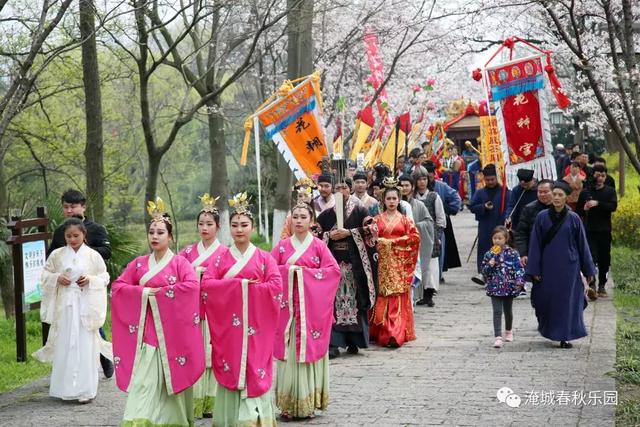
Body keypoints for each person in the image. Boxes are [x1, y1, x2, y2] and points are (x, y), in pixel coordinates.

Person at [112, 199, 205, 426]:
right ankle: (139, 420)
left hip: (172, 333)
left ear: (170, 237)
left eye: (160, 232)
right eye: (151, 232)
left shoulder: (180, 264)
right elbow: (118, 287)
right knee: (144, 380)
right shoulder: (138, 264)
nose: (155, 236)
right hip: (146, 334)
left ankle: (171, 420)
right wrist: (145, 294)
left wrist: (160, 295)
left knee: (168, 381)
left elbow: (192, 287)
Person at [201, 193, 282, 427]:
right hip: (230, 329)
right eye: (234, 225)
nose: (239, 230)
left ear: (252, 227)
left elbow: (276, 287)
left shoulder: (265, 259)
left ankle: (255, 418)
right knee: (232, 365)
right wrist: (241, 286)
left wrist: (247, 291)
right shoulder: (219, 260)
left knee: (254, 366)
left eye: (244, 225)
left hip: (257, 328)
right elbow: (206, 285)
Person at [271, 202, 341, 420]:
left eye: (303, 217)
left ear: (312, 222)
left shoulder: (319, 246)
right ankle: (287, 405)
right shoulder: (281, 247)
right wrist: (290, 272)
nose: (298, 221)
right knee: (289, 354)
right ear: (289, 220)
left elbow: (332, 272)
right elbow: (270, 273)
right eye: (295, 217)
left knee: (307, 353)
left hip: (310, 312)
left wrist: (304, 276)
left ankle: (308, 403)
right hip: (287, 314)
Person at [33, 217, 111, 403]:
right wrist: (57, 278)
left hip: (85, 304)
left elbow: (104, 276)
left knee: (85, 344)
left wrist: (90, 280)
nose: (72, 239)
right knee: (66, 344)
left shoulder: (93, 255)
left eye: (76, 235)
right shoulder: (57, 255)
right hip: (66, 306)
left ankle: (86, 389)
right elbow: (45, 274)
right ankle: (63, 388)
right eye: (68, 236)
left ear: (84, 235)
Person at [48, 189, 113, 378]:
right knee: (68, 327)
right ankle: (70, 371)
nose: (69, 210)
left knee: (91, 323)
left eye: (73, 206)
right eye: (66, 207)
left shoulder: (97, 229)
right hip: (68, 287)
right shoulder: (61, 231)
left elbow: (107, 252)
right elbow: (51, 257)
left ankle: (104, 358)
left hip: (90, 285)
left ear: (83, 207)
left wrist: (83, 250)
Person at [526, 182, 595, 349]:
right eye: (554, 194)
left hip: (569, 268)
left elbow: (582, 245)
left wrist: (588, 270)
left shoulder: (574, 218)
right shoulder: (542, 217)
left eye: (560, 195)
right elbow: (535, 244)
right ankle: (549, 329)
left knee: (567, 302)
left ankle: (565, 336)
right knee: (545, 300)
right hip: (548, 266)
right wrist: (534, 268)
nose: (556, 198)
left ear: (567, 198)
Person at [178, 193, 229, 419]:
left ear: (218, 227)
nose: (204, 228)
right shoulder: (187, 253)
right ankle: (194, 400)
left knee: (214, 353)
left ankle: (214, 400)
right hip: (192, 312)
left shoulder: (226, 253)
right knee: (194, 352)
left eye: (209, 224)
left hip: (216, 311)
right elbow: (176, 276)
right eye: (201, 224)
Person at [317, 179, 378, 359]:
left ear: (350, 190)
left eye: (344, 187)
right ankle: (334, 343)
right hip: (333, 264)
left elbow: (373, 229)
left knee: (354, 301)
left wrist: (350, 233)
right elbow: (315, 233)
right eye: (337, 188)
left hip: (355, 266)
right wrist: (328, 235)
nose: (340, 191)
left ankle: (354, 340)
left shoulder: (360, 211)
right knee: (333, 302)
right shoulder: (326, 215)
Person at [370, 178, 420, 348]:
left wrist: (394, 243)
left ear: (399, 200)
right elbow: (370, 240)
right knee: (382, 295)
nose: (391, 202)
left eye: (394, 199)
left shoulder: (405, 220)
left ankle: (395, 334)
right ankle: (382, 330)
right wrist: (379, 242)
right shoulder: (376, 220)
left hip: (399, 263)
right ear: (383, 200)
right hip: (382, 263)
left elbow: (414, 238)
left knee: (397, 295)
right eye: (388, 199)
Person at [576, 164, 617, 299]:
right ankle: (592, 284)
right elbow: (578, 212)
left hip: (605, 230)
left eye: (603, 176)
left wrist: (598, 203)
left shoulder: (610, 191)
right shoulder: (586, 192)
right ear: (592, 175)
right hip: (589, 230)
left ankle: (602, 285)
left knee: (604, 259)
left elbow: (613, 206)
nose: (600, 178)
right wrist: (585, 208)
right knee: (591, 258)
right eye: (597, 175)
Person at [480, 226, 525, 348]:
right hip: (494, 287)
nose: (497, 241)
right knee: (497, 311)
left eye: (500, 238)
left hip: (509, 286)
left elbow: (519, 268)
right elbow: (484, 271)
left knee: (507, 310)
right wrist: (489, 265)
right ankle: (498, 336)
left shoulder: (513, 253)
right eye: (494, 238)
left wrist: (519, 281)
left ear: (506, 239)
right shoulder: (489, 254)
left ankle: (509, 331)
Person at [469, 164, 511, 284]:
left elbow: (509, 207)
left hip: (500, 226)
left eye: (492, 179)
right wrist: (483, 207)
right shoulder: (480, 192)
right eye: (488, 180)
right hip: (485, 226)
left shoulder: (505, 192)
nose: (490, 182)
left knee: (500, 250)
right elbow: (472, 206)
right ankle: (483, 274)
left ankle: (500, 274)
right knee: (484, 250)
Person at [399, 174, 435, 306]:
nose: (404, 188)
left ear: (412, 187)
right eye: (401, 185)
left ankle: (415, 299)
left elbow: (429, 222)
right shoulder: (393, 204)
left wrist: (415, 226)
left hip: (413, 243)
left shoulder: (419, 205)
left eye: (407, 185)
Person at [411, 169, 445, 306]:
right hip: (415, 236)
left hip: (431, 236)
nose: (422, 182)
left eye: (424, 179)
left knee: (431, 267)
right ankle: (419, 293)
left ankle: (429, 294)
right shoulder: (411, 199)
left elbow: (440, 219)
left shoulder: (433, 196)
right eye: (419, 179)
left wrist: (437, 235)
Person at [424, 161, 462, 281]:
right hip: (422, 225)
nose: (428, 177)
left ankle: (437, 276)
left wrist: (449, 209)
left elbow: (456, 198)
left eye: (430, 173)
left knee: (439, 250)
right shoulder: (416, 188)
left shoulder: (441, 186)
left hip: (439, 224)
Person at [514, 179, 554, 268]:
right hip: (534, 253)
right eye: (540, 192)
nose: (542, 194)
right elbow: (521, 233)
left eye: (546, 192)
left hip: (556, 254)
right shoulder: (529, 209)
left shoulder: (562, 209)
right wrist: (523, 253)